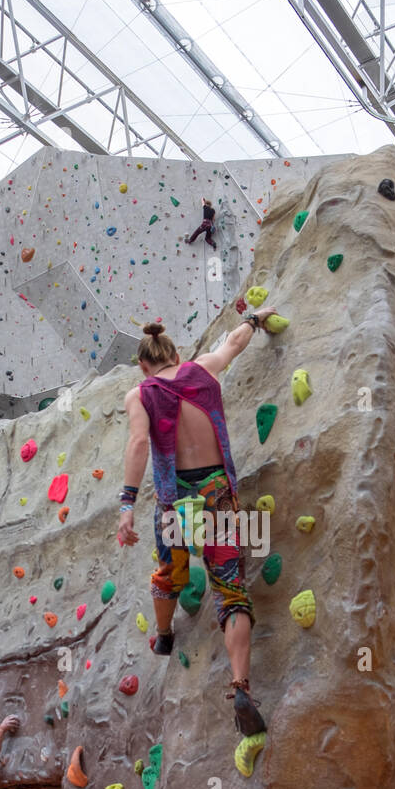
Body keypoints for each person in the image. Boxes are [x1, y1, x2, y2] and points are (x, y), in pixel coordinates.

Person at [118, 313, 278, 735]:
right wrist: (254, 319)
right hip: (216, 494)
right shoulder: (202, 369)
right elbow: (235, 343)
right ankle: (241, 686)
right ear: (176, 355)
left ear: (144, 365)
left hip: (177, 501)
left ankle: (165, 632)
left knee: (170, 570)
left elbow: (137, 444)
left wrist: (127, 504)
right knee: (230, 590)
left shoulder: (140, 395)